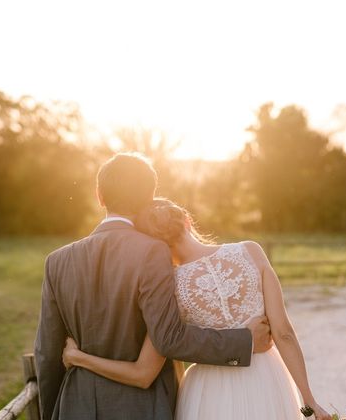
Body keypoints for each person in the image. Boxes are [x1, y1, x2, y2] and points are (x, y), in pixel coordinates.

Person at [34, 153, 272, 420]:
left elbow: (47, 354)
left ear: (100, 196)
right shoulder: (152, 252)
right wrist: (243, 341)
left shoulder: (56, 261)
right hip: (141, 408)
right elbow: (168, 338)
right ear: (149, 196)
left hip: (76, 407)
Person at [61, 197, 332, 420]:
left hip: (208, 394)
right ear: (188, 221)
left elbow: (143, 372)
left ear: (153, 245)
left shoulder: (170, 288)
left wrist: (79, 358)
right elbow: (283, 333)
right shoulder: (251, 251)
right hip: (266, 380)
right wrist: (310, 402)